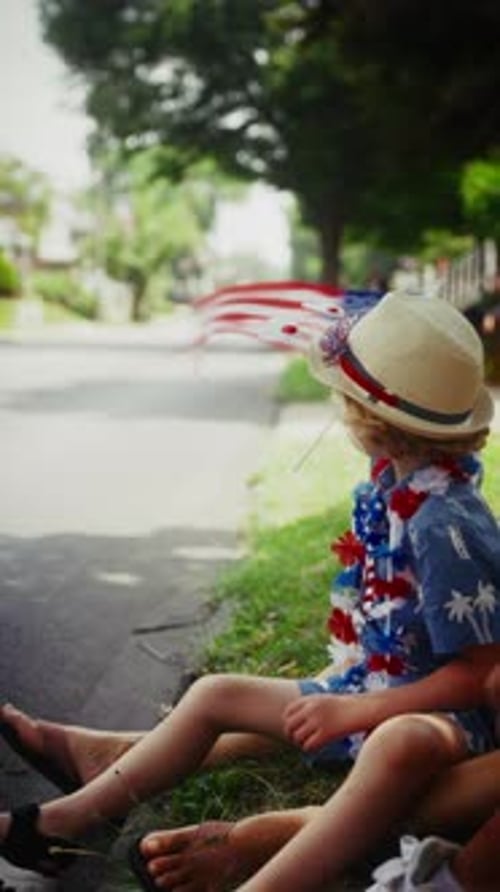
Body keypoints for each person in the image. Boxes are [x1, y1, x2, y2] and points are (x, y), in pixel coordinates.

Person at [1, 291, 500, 892]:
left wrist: (360, 709)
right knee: (217, 693)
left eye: (345, 398)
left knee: (396, 744)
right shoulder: (394, 489)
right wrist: (351, 692)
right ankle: (64, 821)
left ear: (373, 420)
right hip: (372, 688)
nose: (339, 408)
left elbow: (480, 675)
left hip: (445, 722)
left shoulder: (443, 525)